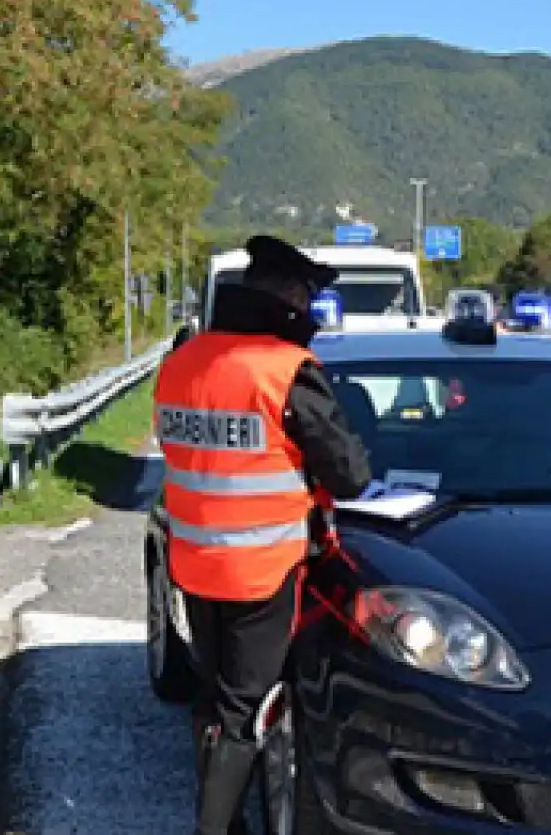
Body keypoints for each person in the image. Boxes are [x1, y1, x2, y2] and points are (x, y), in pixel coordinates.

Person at [153, 234, 375, 835]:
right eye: (305, 297)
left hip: (195, 559)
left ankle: (225, 821)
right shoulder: (285, 372)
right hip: (262, 569)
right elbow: (350, 476)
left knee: (216, 697)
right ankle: (215, 830)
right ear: (291, 299)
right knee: (245, 707)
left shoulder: (185, 361)